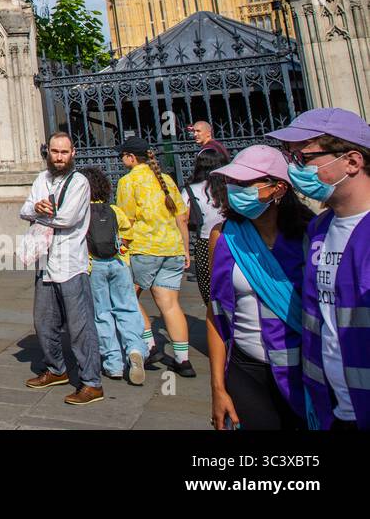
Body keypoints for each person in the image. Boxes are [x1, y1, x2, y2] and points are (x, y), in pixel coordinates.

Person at [269, 108, 370, 431]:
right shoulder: (319, 228)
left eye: (304, 158)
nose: (294, 168)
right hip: (332, 406)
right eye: (291, 158)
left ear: (352, 162)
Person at [204, 145, 309, 431]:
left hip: (305, 370)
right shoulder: (223, 236)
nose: (236, 189)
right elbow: (215, 313)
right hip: (245, 370)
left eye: (246, 183)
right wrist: (217, 388)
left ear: (279, 189)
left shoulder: (310, 235)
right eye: (234, 182)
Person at [20, 133, 104, 405]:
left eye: (63, 152)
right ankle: (56, 369)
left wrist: (39, 210)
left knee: (80, 327)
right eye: (54, 151)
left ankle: (91, 382)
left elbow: (68, 218)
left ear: (73, 153)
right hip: (45, 262)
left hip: (71, 263)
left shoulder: (79, 182)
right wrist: (36, 206)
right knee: (44, 321)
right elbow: (24, 209)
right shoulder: (41, 180)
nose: (58, 157)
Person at [116, 136, 195, 377]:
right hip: (172, 249)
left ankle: (149, 346)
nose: (122, 160)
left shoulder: (128, 181)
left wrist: (121, 247)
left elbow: (126, 220)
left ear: (130, 157)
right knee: (170, 305)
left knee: (128, 296)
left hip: (144, 248)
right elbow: (182, 217)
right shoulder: (167, 180)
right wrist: (184, 248)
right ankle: (183, 361)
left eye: (123, 156)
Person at [81, 166, 147, 384]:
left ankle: (113, 363)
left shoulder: (82, 213)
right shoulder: (115, 211)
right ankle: (135, 350)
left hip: (94, 266)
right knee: (127, 308)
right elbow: (128, 236)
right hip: (119, 263)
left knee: (102, 314)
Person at [184, 150, 230, 304]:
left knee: (210, 294)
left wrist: (185, 250)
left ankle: (216, 323)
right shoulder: (231, 186)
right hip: (232, 239)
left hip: (205, 242)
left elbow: (182, 219)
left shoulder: (191, 189)